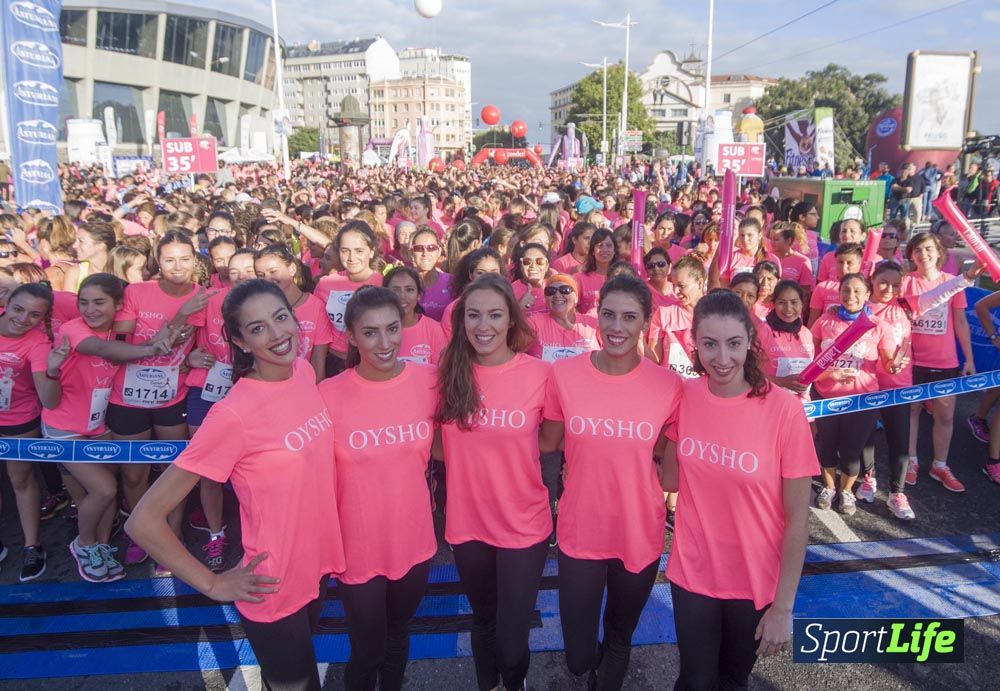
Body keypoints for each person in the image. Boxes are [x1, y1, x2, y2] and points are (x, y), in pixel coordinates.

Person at [125, 279, 345, 691]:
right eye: (258, 328)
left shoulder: (302, 372)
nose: (277, 334)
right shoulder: (233, 415)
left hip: (316, 567)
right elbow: (144, 520)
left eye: (281, 318)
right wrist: (212, 583)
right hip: (273, 584)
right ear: (241, 342)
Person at [661, 290, 816, 691]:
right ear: (695, 344)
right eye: (709, 344)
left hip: (754, 579)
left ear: (750, 340)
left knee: (732, 680)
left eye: (733, 343)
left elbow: (798, 521)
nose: (722, 358)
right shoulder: (685, 396)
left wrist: (783, 607)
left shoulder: (784, 410)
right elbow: (669, 479)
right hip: (693, 571)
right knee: (695, 681)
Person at [540, 275, 681, 690]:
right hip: (580, 527)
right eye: (608, 315)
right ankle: (590, 667)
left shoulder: (668, 385)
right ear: (596, 316)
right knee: (578, 656)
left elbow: (669, 460)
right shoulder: (564, 375)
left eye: (629, 317)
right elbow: (548, 440)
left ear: (646, 323)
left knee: (619, 637)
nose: (617, 327)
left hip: (638, 531)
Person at [434, 274, 550, 691]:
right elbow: (436, 446)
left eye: (495, 315)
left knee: (511, 641)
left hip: (524, 524)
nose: (483, 326)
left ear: (511, 320)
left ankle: (514, 684)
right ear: (461, 320)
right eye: (474, 315)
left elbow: (550, 440)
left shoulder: (540, 374)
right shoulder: (447, 373)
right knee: (483, 620)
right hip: (468, 525)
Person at [319, 287, 437, 691]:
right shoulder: (327, 394)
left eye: (392, 328)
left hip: (414, 539)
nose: (384, 343)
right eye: (370, 333)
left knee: (398, 635)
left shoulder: (429, 381)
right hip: (358, 547)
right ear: (351, 337)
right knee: (367, 649)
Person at [42, 274, 178, 582]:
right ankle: (84, 544)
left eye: (99, 303)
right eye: (84, 302)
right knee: (104, 488)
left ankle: (101, 548)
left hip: (98, 425)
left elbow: (130, 349)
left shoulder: (120, 332)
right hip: (63, 427)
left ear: (118, 305)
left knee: (108, 492)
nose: (90, 310)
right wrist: (152, 349)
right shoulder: (73, 329)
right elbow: (105, 352)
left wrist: (158, 343)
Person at [108, 231, 207, 570]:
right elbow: (119, 346)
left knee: (172, 473)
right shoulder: (136, 292)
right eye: (169, 260)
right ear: (158, 262)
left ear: (195, 260)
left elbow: (197, 347)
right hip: (127, 398)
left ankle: (171, 536)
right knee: (133, 475)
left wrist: (191, 358)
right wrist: (179, 316)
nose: (178, 267)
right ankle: (141, 534)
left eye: (185, 259)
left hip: (172, 397)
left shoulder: (202, 297)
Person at [811, 274, 893, 515]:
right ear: (839, 293)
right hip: (826, 398)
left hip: (862, 401)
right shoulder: (825, 321)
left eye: (857, 291)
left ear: (868, 294)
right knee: (826, 446)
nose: (851, 296)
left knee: (851, 451)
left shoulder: (878, 325)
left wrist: (895, 364)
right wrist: (829, 374)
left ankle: (846, 490)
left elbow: (888, 363)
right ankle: (829, 487)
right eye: (846, 290)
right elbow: (811, 358)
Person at [0, 284, 64, 582]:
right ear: (6, 302)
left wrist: (51, 371)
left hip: (19, 419)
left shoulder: (38, 343)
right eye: (18, 309)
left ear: (43, 318)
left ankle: (32, 546)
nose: (23, 319)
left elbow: (48, 400)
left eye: (34, 315)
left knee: (21, 480)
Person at [903, 232, 975, 492]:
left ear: (939, 252)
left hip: (945, 361)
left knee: (945, 415)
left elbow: (960, 321)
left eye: (928, 249)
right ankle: (911, 461)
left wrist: (969, 359)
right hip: (912, 360)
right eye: (918, 250)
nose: (923, 254)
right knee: (912, 410)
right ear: (911, 255)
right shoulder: (906, 282)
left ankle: (940, 465)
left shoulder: (952, 282)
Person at [254, 244, 332, 381]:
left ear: (292, 269)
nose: (267, 279)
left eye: (273, 272)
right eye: (261, 275)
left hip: (304, 384)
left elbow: (318, 361)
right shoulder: (258, 309)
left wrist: (315, 390)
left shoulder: (316, 306)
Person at [314, 221, 384, 369]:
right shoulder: (325, 284)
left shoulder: (384, 284)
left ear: (371, 251)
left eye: (359, 251)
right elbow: (319, 335)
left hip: (373, 361)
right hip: (335, 362)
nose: (351, 257)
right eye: (345, 251)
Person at [649, 256, 706, 379]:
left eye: (681, 286)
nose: (675, 291)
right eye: (673, 285)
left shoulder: (715, 314)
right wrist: (639, 340)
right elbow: (654, 358)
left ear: (700, 283)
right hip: (670, 384)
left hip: (702, 385)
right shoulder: (663, 313)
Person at [756, 280, 814, 401]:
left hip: (802, 405)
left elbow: (811, 371)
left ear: (802, 304)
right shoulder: (763, 331)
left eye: (794, 302)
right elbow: (749, 372)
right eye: (782, 302)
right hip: (769, 402)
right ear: (773, 304)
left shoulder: (806, 334)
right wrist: (782, 382)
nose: (788, 308)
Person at [384, 266, 447, 364]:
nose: (402, 296)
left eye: (409, 290)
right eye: (395, 290)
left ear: (419, 295)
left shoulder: (434, 329)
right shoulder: (377, 329)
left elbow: (442, 369)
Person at [576, 229, 618, 315]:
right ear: (592, 251)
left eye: (609, 245)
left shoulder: (622, 278)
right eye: (600, 245)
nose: (604, 249)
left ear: (614, 251)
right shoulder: (579, 278)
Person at [510, 243, 550, 316]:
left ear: (547, 265)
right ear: (521, 266)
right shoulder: (511, 290)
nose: (533, 266)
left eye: (540, 261)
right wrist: (519, 307)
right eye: (527, 261)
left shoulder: (553, 288)